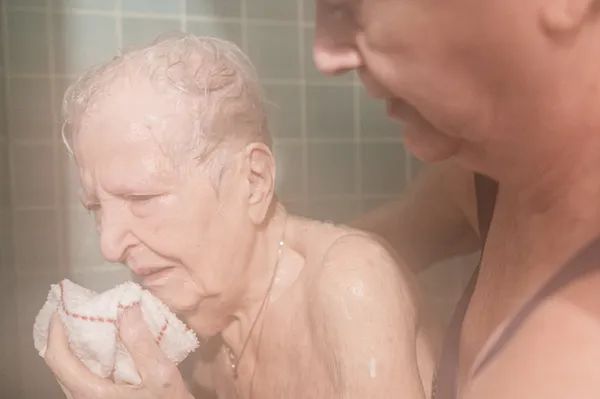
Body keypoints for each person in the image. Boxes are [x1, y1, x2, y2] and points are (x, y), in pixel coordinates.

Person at [41, 34, 440, 399]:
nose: (108, 245)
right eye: (95, 207)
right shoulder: (190, 327)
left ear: (253, 180)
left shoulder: (351, 283)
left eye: (141, 197)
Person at [314, 0, 600, 398]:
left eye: (349, 5)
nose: (326, 56)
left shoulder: (576, 359)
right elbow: (376, 244)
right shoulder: (494, 176)